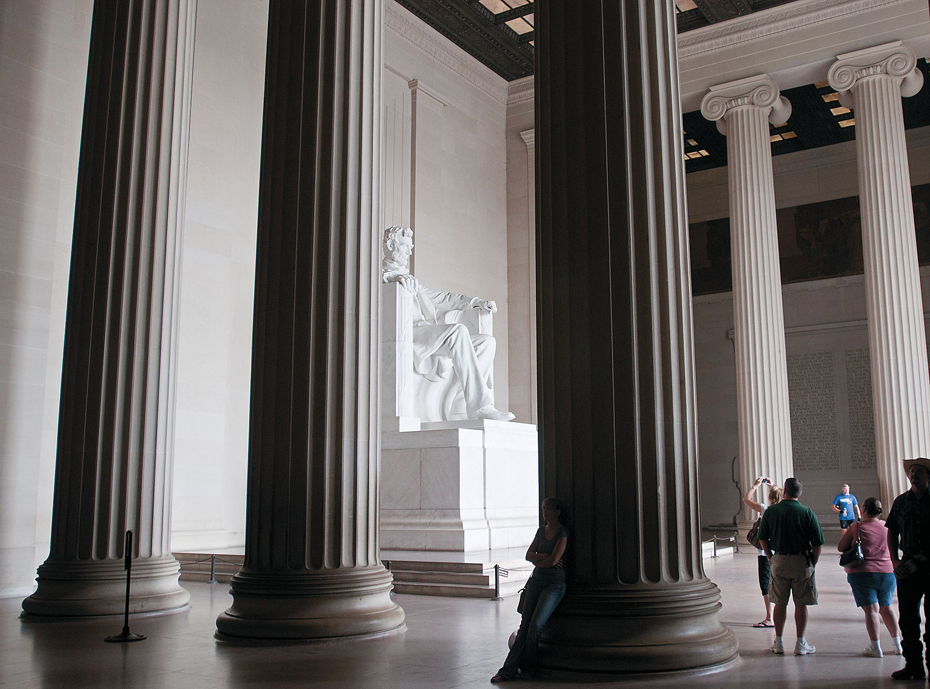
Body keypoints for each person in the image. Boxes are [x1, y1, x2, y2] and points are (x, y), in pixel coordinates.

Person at [381, 226, 514, 422]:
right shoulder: (381, 274)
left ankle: (461, 407)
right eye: (404, 246)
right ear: (391, 245)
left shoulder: (411, 280)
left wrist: (475, 302)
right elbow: (374, 281)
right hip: (406, 333)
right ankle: (481, 406)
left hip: (427, 331)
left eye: (411, 247)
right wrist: (394, 277)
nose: (409, 252)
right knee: (458, 332)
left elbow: (444, 299)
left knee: (486, 342)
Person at [491, 498, 568, 683]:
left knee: (535, 625)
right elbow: (529, 555)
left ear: (557, 512)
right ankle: (508, 670)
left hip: (553, 585)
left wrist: (539, 559)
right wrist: (543, 557)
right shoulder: (541, 531)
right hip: (535, 581)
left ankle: (527, 668)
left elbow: (553, 561)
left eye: (548, 509)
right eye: (543, 509)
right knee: (524, 626)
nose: (545, 512)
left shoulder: (562, 532)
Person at [757, 476, 824, 656]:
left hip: (779, 560)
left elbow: (762, 537)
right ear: (799, 493)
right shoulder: (807, 512)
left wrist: (771, 557)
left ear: (784, 491)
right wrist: (813, 561)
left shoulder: (771, 512)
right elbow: (818, 543)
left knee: (779, 602)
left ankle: (778, 643)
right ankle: (800, 643)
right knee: (801, 604)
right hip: (801, 561)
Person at [837, 497, 902, 658]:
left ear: (864, 509)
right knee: (887, 608)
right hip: (887, 573)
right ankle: (897, 644)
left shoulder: (856, 527)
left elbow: (841, 547)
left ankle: (875, 647)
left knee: (871, 610)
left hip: (862, 572)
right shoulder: (888, 528)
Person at [886, 457, 930, 680]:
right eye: (912, 471)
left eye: (919, 471)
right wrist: (894, 561)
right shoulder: (901, 501)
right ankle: (913, 665)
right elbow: (892, 531)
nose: (914, 474)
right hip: (908, 566)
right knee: (908, 619)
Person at [743, 477, 783, 628]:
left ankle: (769, 617)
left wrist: (755, 486)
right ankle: (778, 615)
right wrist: (772, 486)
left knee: (766, 584)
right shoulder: (784, 511)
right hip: (781, 552)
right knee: (779, 583)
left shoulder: (766, 509)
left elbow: (746, 499)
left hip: (765, 553)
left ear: (770, 497)